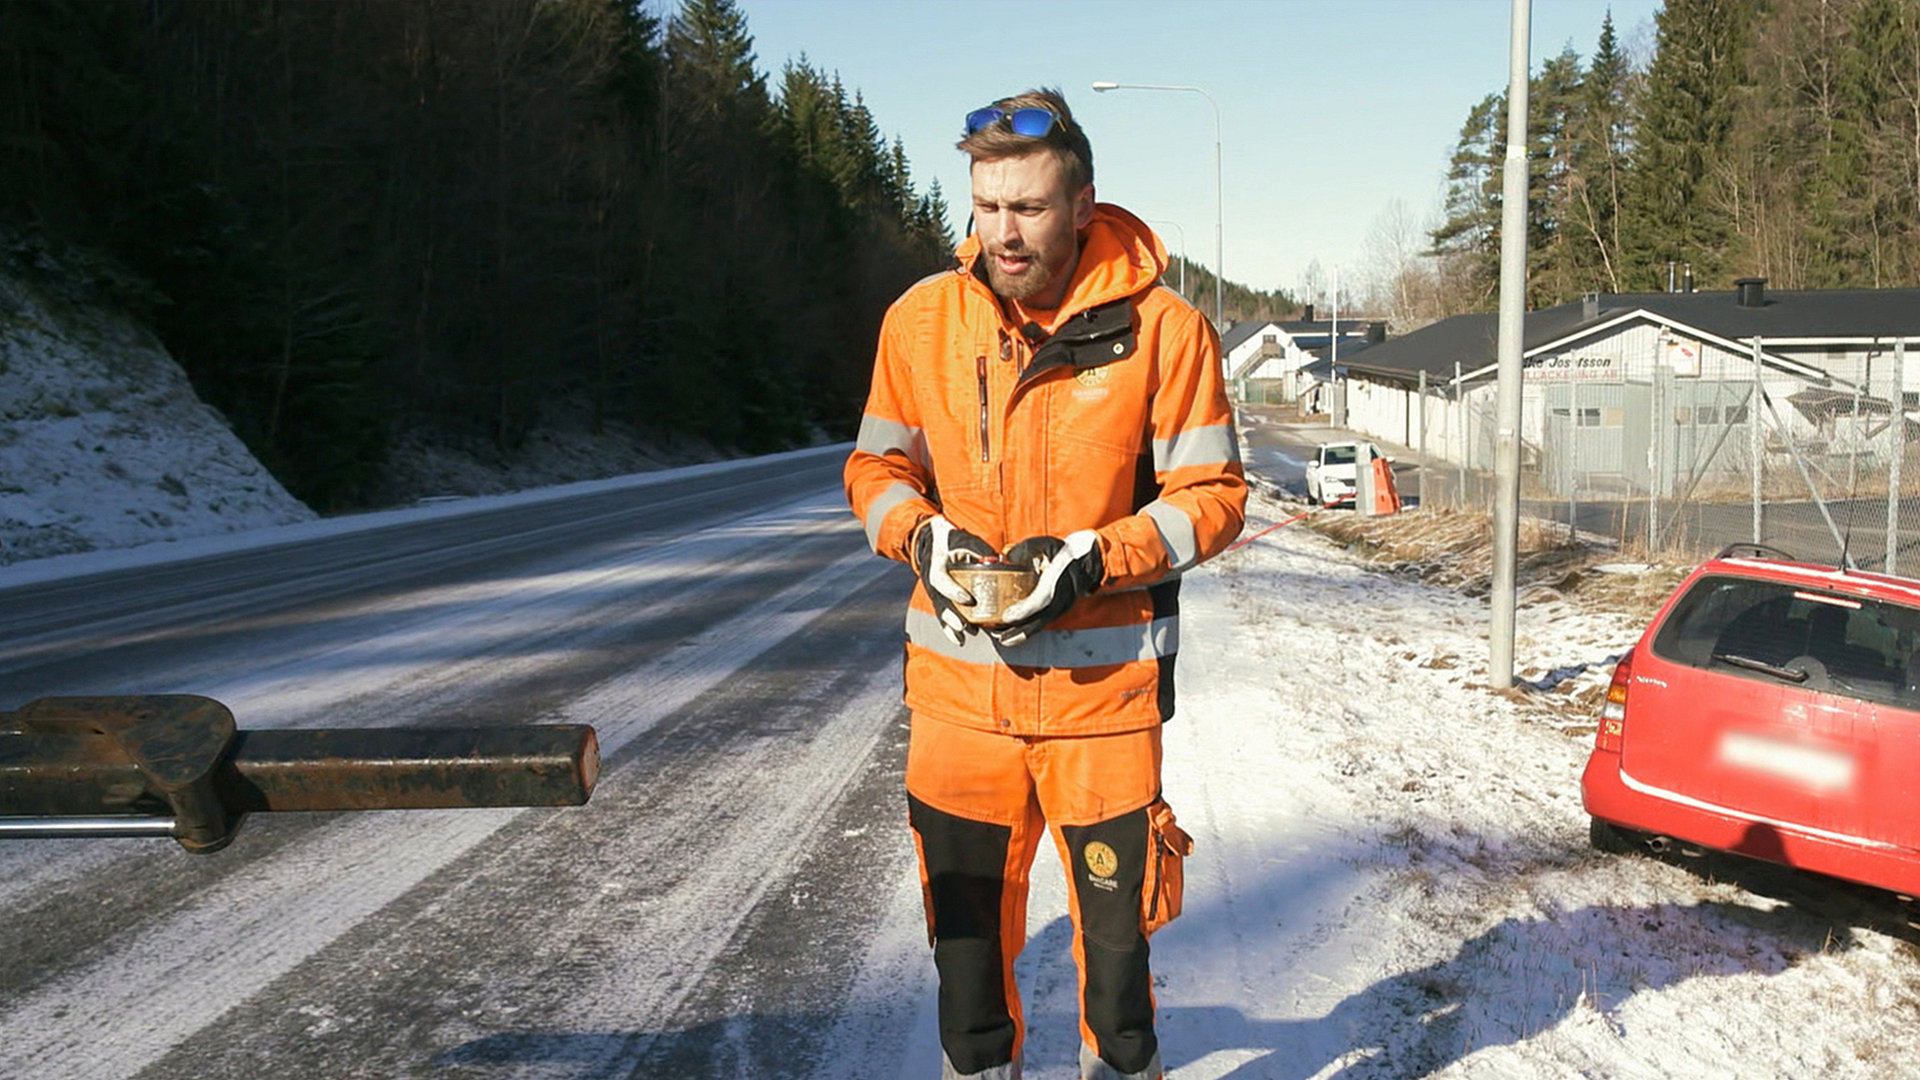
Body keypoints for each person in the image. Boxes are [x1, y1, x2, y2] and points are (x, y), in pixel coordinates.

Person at [844, 87, 1246, 1080]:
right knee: (966, 958)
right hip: (956, 709)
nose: (1003, 233)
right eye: (986, 206)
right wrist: (918, 539)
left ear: (1082, 202)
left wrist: (1091, 561)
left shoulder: (1166, 331)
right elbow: (873, 470)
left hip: (1103, 710)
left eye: (1027, 207)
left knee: (1118, 966)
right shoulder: (920, 320)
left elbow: (1215, 498)